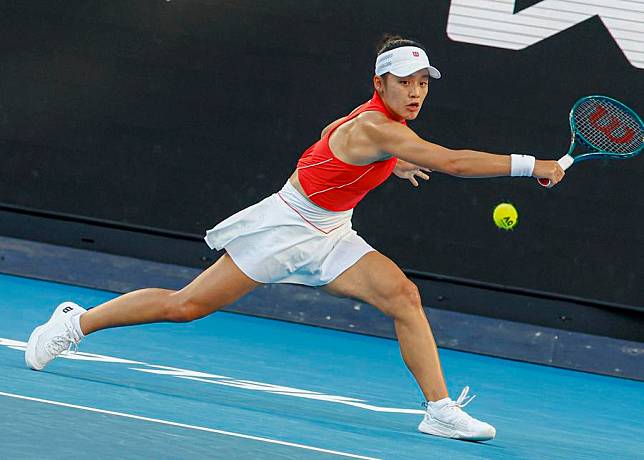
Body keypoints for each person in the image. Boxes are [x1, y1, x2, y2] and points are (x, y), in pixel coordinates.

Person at [25, 35, 565, 442]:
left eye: (423, 82)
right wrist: (533, 165)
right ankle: (75, 323)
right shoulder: (379, 126)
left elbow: (331, 135)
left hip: (332, 232)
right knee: (185, 306)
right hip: (284, 227)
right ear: (380, 85)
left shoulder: (377, 129)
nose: (417, 91)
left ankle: (439, 410)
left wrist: (390, 161)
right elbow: (452, 162)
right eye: (405, 82)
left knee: (404, 297)